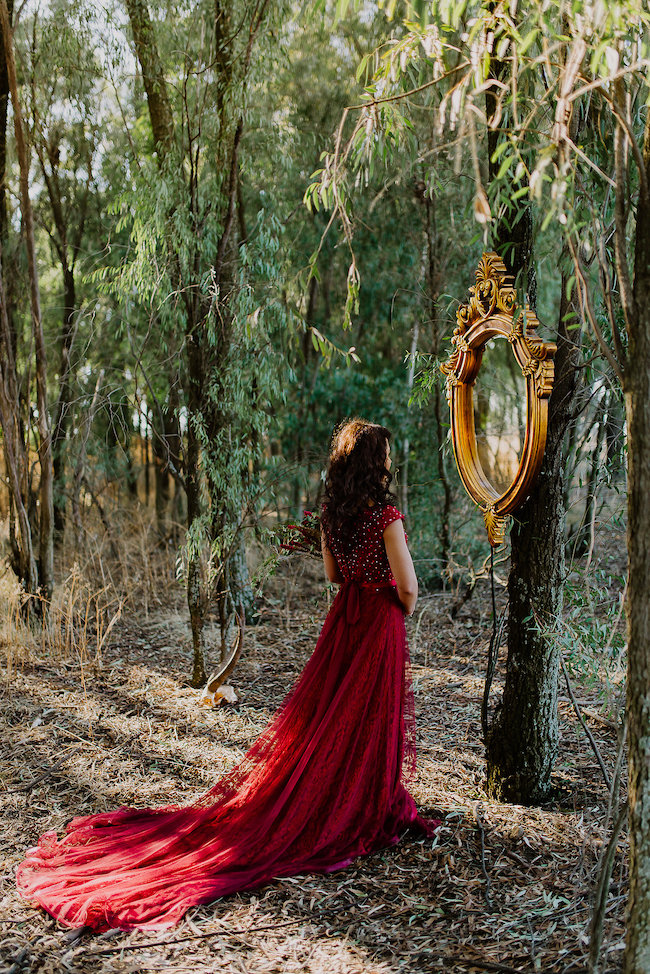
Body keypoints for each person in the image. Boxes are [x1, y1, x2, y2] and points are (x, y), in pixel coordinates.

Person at [16, 418, 438, 932]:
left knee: (331, 717)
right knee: (370, 715)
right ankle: (365, 803)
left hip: (344, 619)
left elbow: (332, 575)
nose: (390, 463)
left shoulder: (334, 514)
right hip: (376, 621)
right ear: (377, 463)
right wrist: (395, 607)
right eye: (387, 455)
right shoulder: (386, 517)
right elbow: (410, 588)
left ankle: (348, 796)